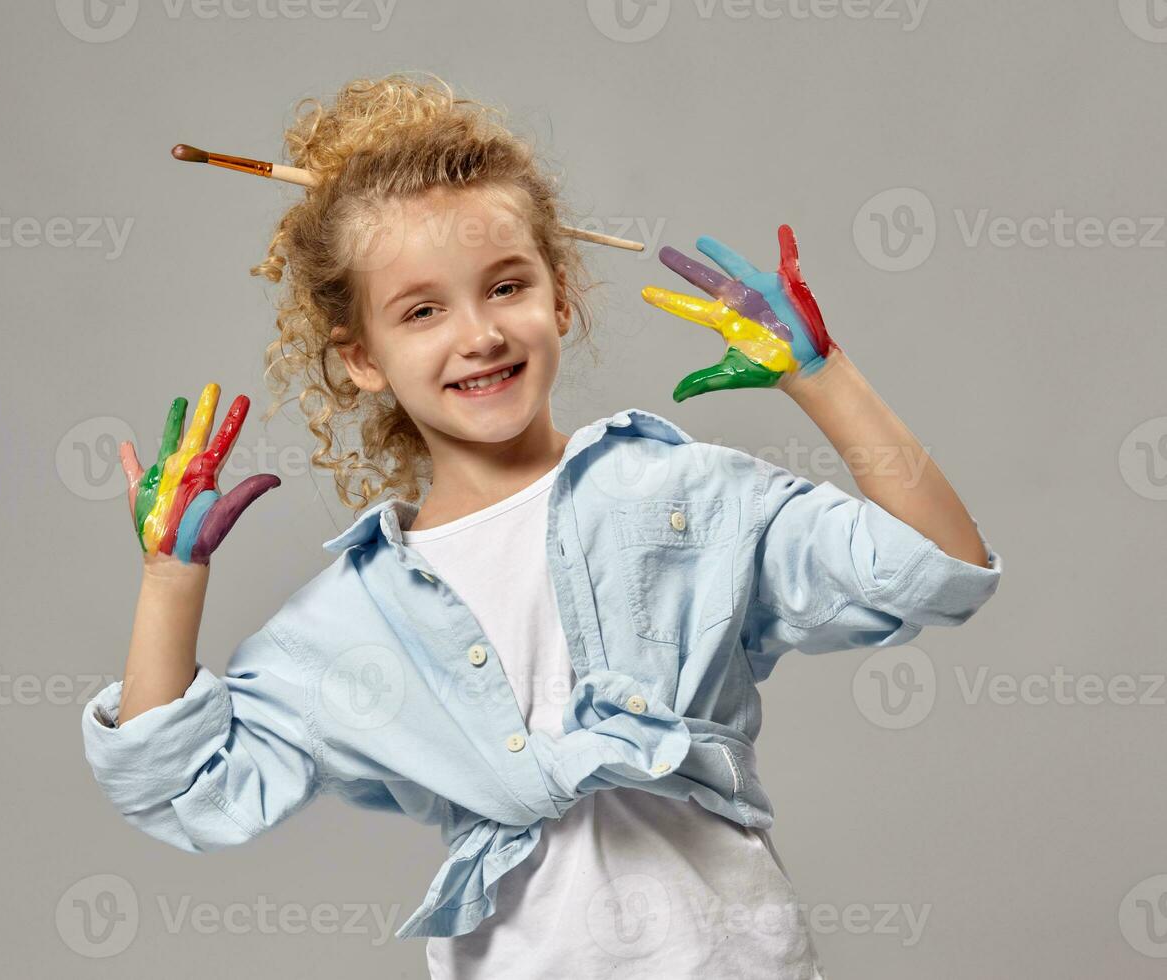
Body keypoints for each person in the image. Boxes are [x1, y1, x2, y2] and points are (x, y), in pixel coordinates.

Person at [81, 73, 1002, 978]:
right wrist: (171, 581)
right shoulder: (358, 614)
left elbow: (937, 569)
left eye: (507, 286)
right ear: (362, 358)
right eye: (423, 309)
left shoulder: (681, 496)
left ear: (561, 298)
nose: (478, 333)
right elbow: (180, 787)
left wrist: (821, 375)